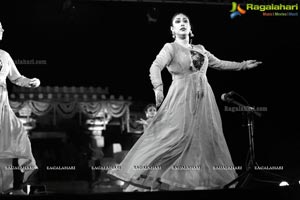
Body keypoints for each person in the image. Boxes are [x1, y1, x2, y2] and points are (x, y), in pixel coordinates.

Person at [107, 13, 262, 191]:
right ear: (172, 30)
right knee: (173, 139)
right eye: (177, 22)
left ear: (190, 29)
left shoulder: (201, 48)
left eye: (185, 21)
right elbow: (155, 66)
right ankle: (144, 179)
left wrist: (243, 65)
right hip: (180, 98)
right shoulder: (170, 47)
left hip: (204, 101)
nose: (182, 23)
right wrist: (158, 88)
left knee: (202, 142)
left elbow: (219, 63)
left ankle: (196, 183)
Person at [0, 21, 41, 195]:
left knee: (16, 141)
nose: (2, 29)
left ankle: (13, 187)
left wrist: (30, 82)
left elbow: (16, 78)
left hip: (3, 108)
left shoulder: (4, 55)